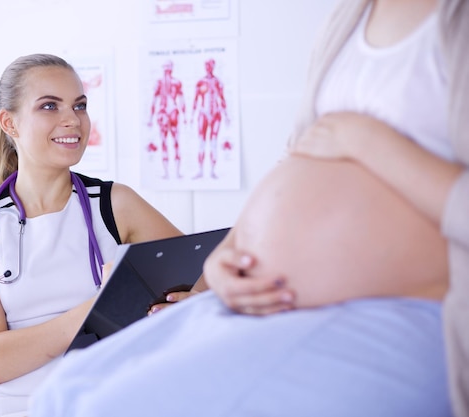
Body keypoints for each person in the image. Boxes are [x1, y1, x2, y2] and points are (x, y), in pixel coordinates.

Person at [28, 0, 469, 416]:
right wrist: (223, 261)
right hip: (260, 298)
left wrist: (369, 142)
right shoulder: (350, 20)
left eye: (79, 105)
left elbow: (346, 145)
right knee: (64, 392)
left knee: (101, 408)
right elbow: (303, 166)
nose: (71, 120)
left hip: (390, 309)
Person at [0, 53, 188, 416]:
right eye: (49, 106)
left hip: (94, 397)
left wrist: (187, 300)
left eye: (80, 105)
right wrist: (106, 305)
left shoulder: (115, 203)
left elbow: (202, 272)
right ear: (10, 123)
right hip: (0, 404)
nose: (72, 119)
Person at [147, 60, 187, 179]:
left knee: (175, 142)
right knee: (164, 143)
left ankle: (176, 172)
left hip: (172, 112)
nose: (167, 71)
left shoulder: (176, 83)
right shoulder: (159, 83)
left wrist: (185, 117)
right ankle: (167, 172)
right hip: (164, 113)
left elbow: (182, 100)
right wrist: (150, 117)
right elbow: (154, 101)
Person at [191, 58, 229, 179]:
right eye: (206, 65)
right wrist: (192, 116)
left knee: (213, 143)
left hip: (215, 114)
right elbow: (196, 99)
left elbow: (222, 99)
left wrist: (227, 115)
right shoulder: (200, 82)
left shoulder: (218, 82)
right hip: (203, 114)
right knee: (201, 143)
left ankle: (212, 170)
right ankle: (200, 170)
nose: (208, 68)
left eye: (210, 65)